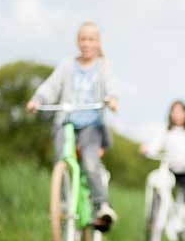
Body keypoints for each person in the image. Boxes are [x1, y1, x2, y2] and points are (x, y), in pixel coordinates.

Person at [26, 21, 118, 228]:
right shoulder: (67, 65)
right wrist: (37, 100)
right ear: (77, 41)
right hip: (66, 121)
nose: (87, 43)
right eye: (83, 39)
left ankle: (101, 205)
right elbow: (51, 85)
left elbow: (111, 85)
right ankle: (65, 204)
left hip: (91, 124)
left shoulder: (103, 66)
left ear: (98, 42)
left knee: (89, 162)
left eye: (91, 39)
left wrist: (112, 98)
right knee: (61, 161)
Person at [142, 100, 185, 235]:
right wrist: (148, 149)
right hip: (171, 169)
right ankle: (153, 219)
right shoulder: (166, 131)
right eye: (174, 111)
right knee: (158, 185)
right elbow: (155, 145)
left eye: (180, 111)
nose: (176, 115)